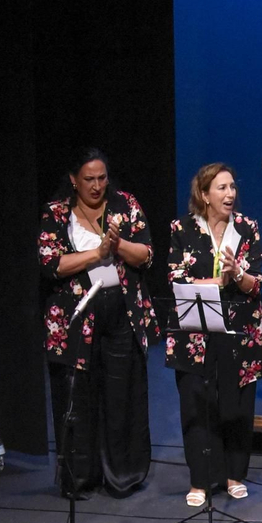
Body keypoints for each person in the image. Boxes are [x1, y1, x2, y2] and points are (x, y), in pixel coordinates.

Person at [38, 147, 160, 496]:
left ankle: (123, 475)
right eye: (88, 179)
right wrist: (97, 253)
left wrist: (118, 244)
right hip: (76, 316)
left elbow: (147, 255)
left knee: (122, 393)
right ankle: (80, 476)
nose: (96, 186)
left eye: (101, 178)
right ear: (74, 180)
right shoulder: (56, 214)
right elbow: (51, 265)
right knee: (79, 395)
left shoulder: (125, 204)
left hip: (122, 313)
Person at [165, 163, 262, 506]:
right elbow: (176, 278)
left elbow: (256, 282)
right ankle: (200, 479)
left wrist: (238, 273)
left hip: (241, 330)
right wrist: (216, 283)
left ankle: (234, 474)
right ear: (204, 194)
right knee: (197, 404)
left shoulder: (247, 228)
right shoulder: (181, 229)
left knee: (237, 405)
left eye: (232, 187)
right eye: (222, 188)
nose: (230, 194)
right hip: (195, 330)